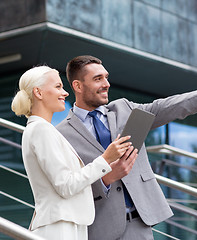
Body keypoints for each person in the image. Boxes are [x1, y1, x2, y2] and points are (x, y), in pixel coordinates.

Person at [56, 55, 197, 240]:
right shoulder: (62, 134)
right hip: (99, 231)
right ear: (77, 86)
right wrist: (105, 179)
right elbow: (67, 188)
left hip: (141, 226)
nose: (106, 83)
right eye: (97, 79)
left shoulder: (124, 109)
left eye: (106, 77)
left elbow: (176, 105)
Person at [11, 66, 138, 240]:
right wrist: (105, 159)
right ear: (38, 93)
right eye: (57, 87)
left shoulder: (44, 130)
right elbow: (66, 185)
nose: (65, 93)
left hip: (67, 224)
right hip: (60, 227)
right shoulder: (41, 130)